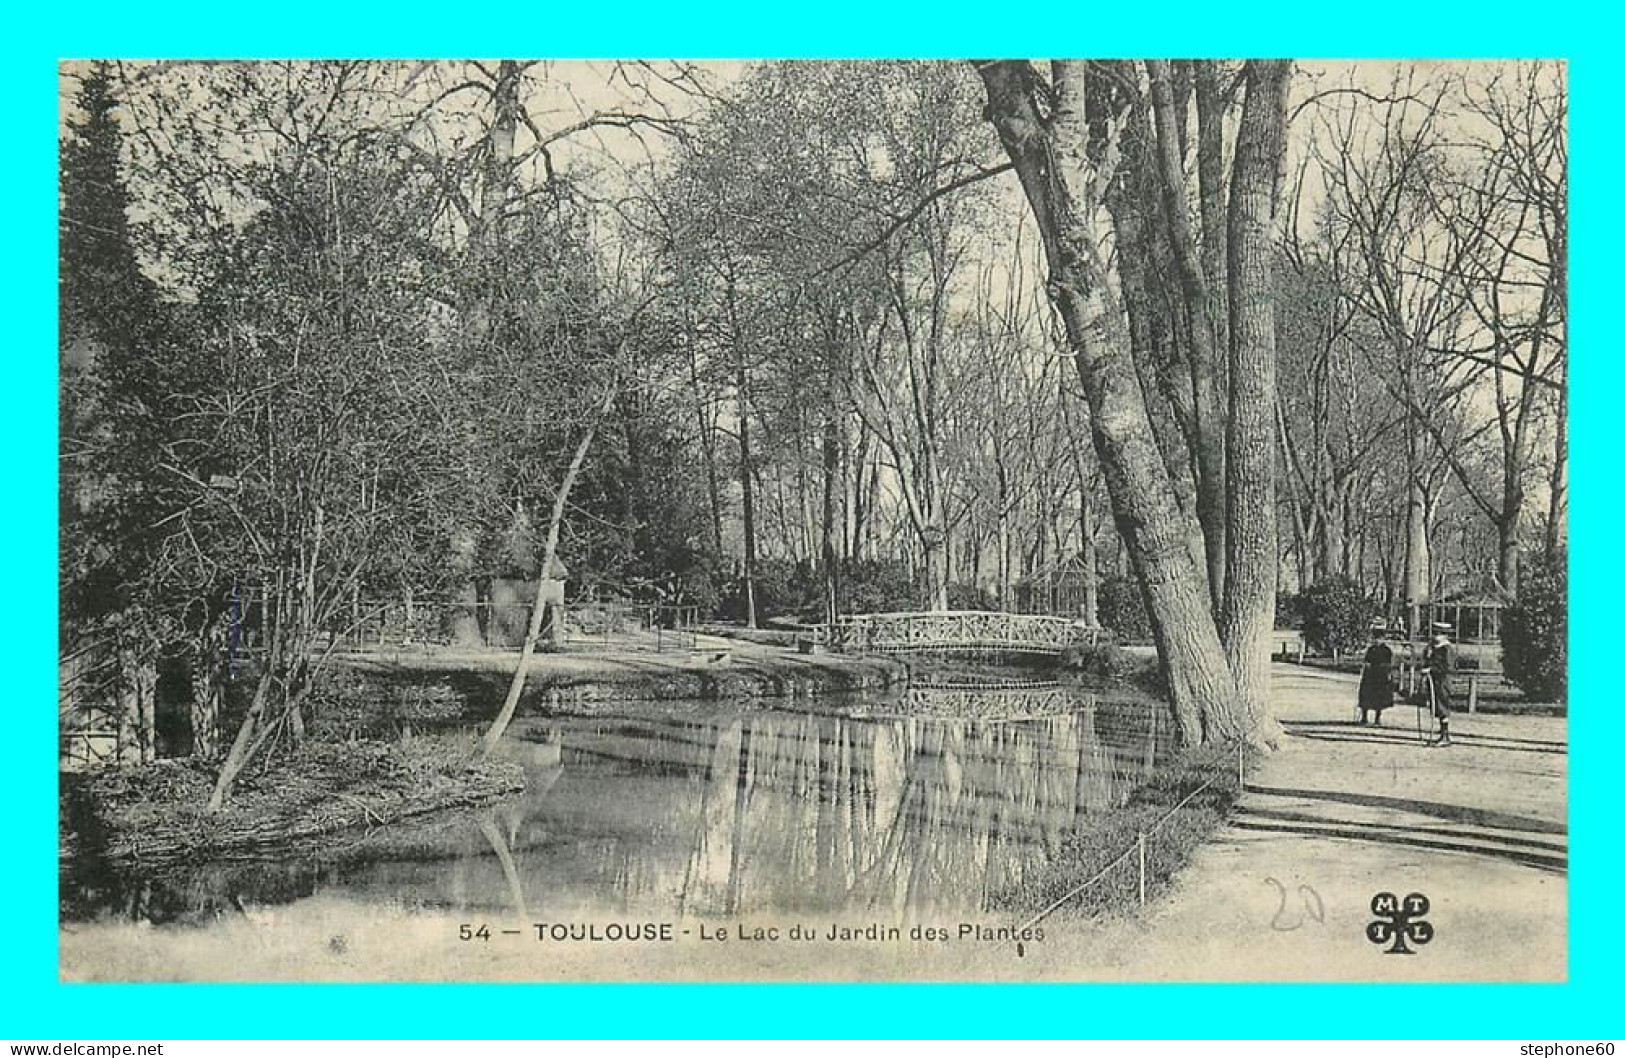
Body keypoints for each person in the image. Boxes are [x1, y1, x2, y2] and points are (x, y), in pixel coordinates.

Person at [1423, 623, 1456, 746]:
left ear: (1445, 636)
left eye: (1439, 634)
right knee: (1436, 706)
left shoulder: (1446, 649)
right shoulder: (1433, 648)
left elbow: (1447, 667)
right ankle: (1442, 733)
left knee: (1442, 707)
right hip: (1434, 681)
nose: (1436, 636)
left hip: (1443, 681)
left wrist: (1431, 669)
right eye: (1435, 633)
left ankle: (1445, 736)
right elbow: (1427, 661)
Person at [1358, 631, 1395, 725]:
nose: (1377, 641)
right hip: (1370, 675)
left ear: (1383, 639)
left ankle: (1377, 718)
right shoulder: (1371, 649)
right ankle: (1364, 717)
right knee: (1366, 695)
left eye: (1379, 639)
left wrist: (1388, 672)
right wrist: (1366, 665)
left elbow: (1389, 663)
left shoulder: (1387, 650)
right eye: (1376, 639)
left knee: (1379, 697)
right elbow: (1366, 661)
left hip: (1381, 676)